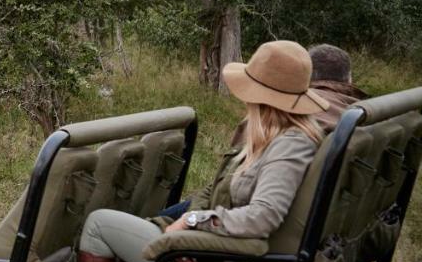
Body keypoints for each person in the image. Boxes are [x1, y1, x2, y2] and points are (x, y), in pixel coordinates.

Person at [70, 40, 326, 262]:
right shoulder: (269, 136)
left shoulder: (290, 146)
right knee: (132, 226)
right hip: (214, 251)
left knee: (98, 224)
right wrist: (191, 223)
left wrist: (194, 222)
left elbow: (263, 217)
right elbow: (214, 188)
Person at [156, 42, 366, 222]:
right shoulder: (364, 117)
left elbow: (233, 194)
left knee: (149, 226)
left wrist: (191, 222)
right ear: (349, 79)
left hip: (233, 225)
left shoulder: (284, 123)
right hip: (324, 229)